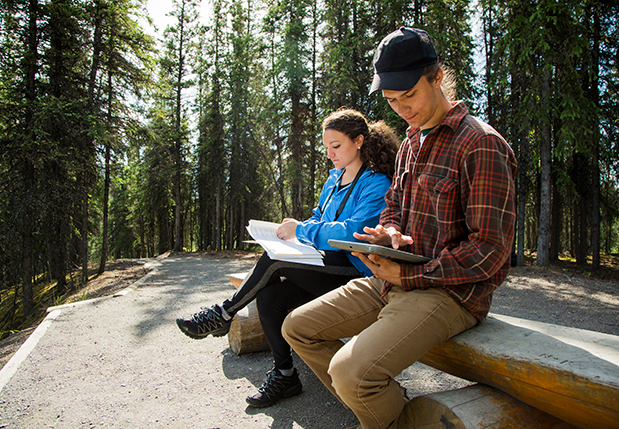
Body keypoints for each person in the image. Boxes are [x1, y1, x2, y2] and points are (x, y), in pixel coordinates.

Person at [283, 27, 517, 429]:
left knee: (350, 373)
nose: (402, 109)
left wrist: (413, 273)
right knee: (297, 328)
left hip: (450, 294)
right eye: (392, 100)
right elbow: (394, 207)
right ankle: (388, 413)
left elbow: (490, 251)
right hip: (394, 279)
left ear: (437, 76)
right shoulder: (411, 142)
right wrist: (387, 234)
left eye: (409, 95)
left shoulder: (481, 144)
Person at [175, 108, 400, 408]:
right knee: (269, 297)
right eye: (327, 148)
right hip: (325, 267)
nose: (330, 155)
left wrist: (303, 230)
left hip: (356, 273)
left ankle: (224, 313)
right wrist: (295, 228)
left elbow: (354, 232)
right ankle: (285, 375)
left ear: (359, 141)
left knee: (274, 261)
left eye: (337, 147)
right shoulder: (334, 179)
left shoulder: (375, 182)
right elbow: (320, 217)